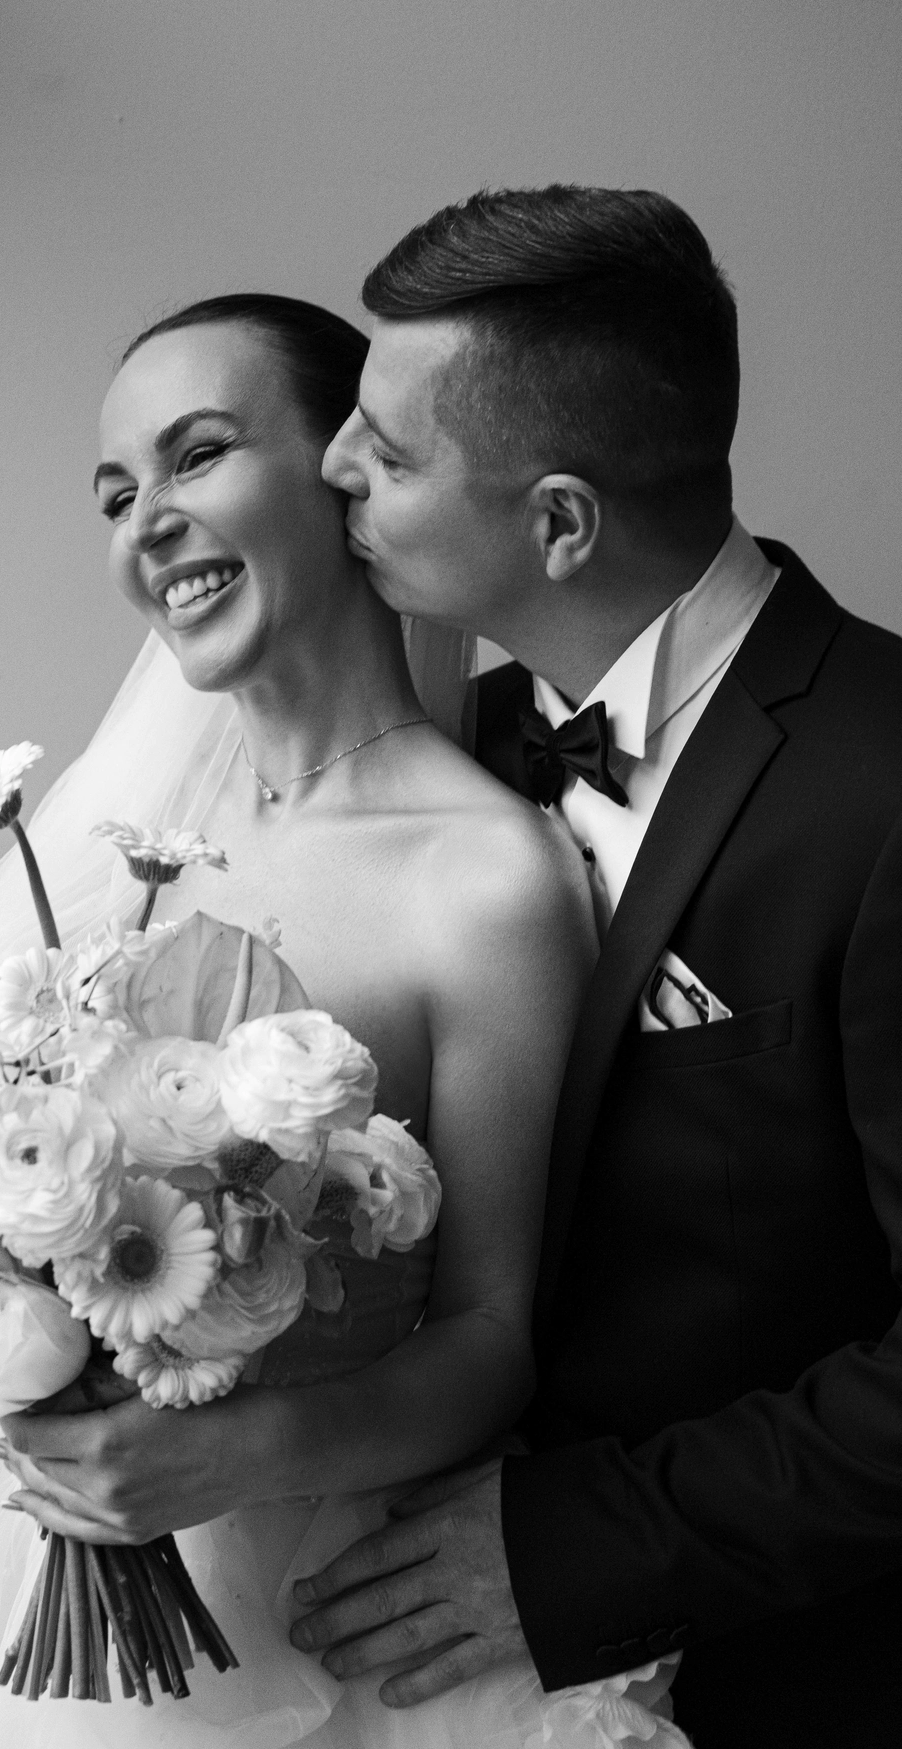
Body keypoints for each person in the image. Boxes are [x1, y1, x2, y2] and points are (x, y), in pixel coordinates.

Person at [0, 293, 683, 1748]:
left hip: (306, 1594)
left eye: (197, 456)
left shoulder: (486, 876)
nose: (149, 524)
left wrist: (237, 1450)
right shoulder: (112, 856)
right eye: (118, 495)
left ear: (345, 475)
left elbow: (492, 1333)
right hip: (23, 1576)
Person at [270, 187, 902, 1747]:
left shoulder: (884, 783)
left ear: (560, 522)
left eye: (388, 453)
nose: (331, 467)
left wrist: (582, 1551)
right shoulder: (438, 764)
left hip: (788, 1685)